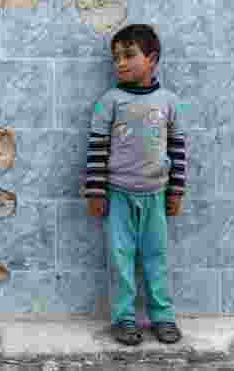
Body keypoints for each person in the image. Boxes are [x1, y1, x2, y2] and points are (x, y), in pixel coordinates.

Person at [84, 24, 187, 346]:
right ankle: (124, 319)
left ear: (152, 58)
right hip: (118, 197)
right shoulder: (109, 101)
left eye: (129, 55)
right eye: (116, 57)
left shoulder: (168, 102)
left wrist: (177, 190)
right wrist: (95, 191)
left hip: (155, 196)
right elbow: (97, 147)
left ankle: (163, 317)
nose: (121, 63)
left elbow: (178, 148)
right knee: (121, 258)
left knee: (156, 257)